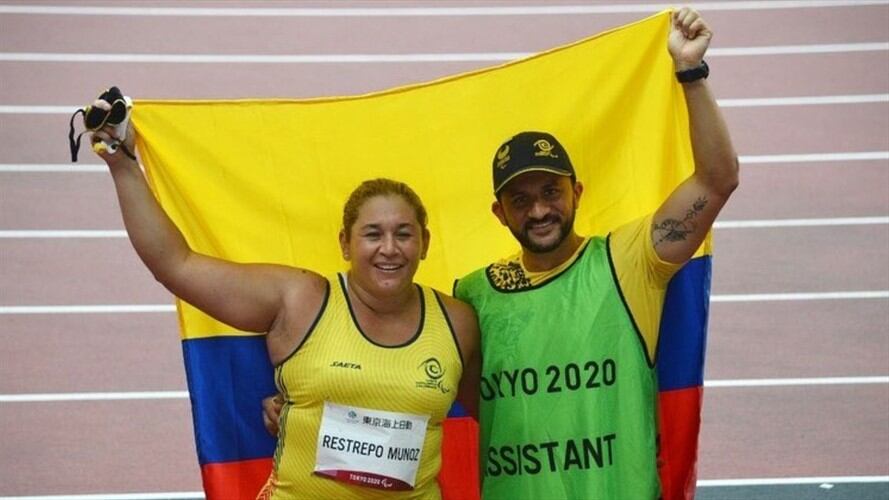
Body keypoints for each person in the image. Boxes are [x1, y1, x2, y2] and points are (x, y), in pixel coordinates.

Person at [88, 111, 480, 499]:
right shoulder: (301, 300)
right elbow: (177, 265)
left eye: (404, 234)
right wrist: (123, 165)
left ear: (425, 243)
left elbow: (500, 413)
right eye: (373, 234)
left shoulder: (457, 322)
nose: (389, 248)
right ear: (345, 243)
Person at [451, 8, 738, 499]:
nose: (539, 210)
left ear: (577, 192)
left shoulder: (628, 261)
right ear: (499, 213)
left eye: (551, 192)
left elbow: (717, 180)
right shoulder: (473, 295)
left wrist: (690, 72)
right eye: (520, 200)